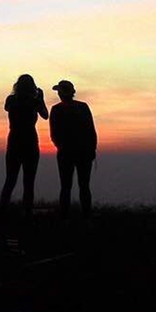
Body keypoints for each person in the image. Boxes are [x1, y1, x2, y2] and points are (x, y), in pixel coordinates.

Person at [0, 74, 48, 219]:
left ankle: (3, 212)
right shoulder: (34, 101)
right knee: (29, 181)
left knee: (10, 179)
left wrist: (37, 100)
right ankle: (27, 213)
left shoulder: (11, 100)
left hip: (14, 142)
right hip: (30, 143)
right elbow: (45, 115)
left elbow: (7, 107)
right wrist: (40, 99)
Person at [49, 80, 97, 219]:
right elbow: (91, 130)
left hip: (67, 153)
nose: (58, 93)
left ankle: (66, 217)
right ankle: (85, 216)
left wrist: (61, 147)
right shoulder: (82, 107)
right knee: (83, 186)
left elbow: (54, 134)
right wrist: (92, 149)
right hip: (81, 152)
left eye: (59, 91)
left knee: (66, 186)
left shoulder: (57, 109)